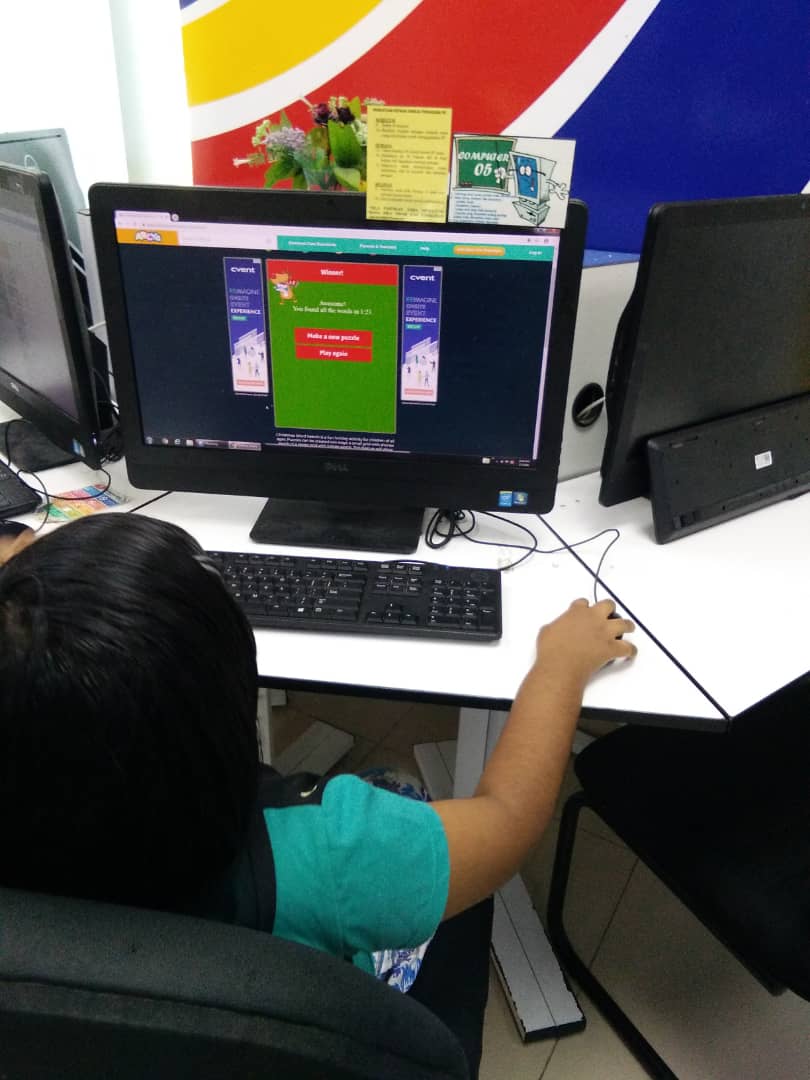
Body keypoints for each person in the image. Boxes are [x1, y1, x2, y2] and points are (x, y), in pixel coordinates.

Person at [0, 514, 635, 1072]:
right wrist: (560, 666)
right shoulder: (338, 854)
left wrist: (30, 595)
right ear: (222, 716)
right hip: (329, 1016)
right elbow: (509, 818)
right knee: (410, 799)